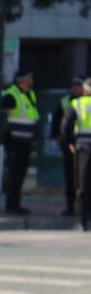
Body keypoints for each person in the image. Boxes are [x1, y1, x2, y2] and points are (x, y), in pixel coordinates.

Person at [0, 69, 39, 215]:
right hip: (15, 141)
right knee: (15, 174)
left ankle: (16, 204)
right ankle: (11, 205)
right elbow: (1, 110)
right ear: (23, 80)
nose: (32, 80)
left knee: (20, 173)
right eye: (30, 78)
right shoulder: (12, 94)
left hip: (25, 140)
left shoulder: (29, 94)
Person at [61, 76, 91, 231]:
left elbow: (65, 127)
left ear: (85, 90)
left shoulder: (77, 104)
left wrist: (69, 143)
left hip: (83, 147)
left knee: (82, 184)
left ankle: (82, 221)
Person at [52, 77, 84, 216]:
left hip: (84, 145)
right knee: (71, 177)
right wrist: (59, 137)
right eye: (74, 86)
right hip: (70, 145)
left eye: (79, 86)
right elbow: (57, 120)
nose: (76, 88)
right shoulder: (66, 101)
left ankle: (84, 208)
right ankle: (71, 207)